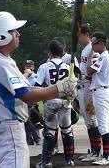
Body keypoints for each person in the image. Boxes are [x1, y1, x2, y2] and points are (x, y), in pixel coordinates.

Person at [0, 11, 78, 168]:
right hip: (8, 132)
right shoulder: (1, 63)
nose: (18, 34)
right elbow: (27, 95)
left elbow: (26, 88)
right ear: (1, 36)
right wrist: (60, 87)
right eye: (13, 31)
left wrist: (58, 90)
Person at [35, 40, 75, 168]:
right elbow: (72, 88)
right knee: (67, 131)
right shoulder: (68, 67)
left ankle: (46, 162)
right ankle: (69, 160)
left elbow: (37, 86)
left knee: (50, 133)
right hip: (65, 101)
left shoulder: (44, 66)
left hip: (51, 101)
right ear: (62, 52)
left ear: (49, 52)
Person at [87, 32, 109, 165]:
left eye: (94, 43)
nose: (92, 46)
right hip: (103, 91)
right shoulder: (105, 57)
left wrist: (89, 57)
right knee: (107, 126)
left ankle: (106, 157)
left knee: (104, 126)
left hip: (101, 93)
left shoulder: (103, 57)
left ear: (101, 43)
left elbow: (89, 71)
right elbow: (91, 75)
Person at [77, 24, 102, 162]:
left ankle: (97, 152)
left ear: (87, 34)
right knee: (87, 120)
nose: (78, 39)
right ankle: (93, 150)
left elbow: (93, 69)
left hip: (88, 86)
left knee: (92, 119)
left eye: (80, 35)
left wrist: (85, 76)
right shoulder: (85, 50)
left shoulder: (92, 48)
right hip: (82, 86)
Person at [23, 59, 41, 145]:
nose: (28, 67)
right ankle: (30, 139)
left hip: (33, 101)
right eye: (27, 66)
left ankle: (36, 138)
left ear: (33, 67)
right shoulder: (23, 77)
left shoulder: (37, 77)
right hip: (24, 101)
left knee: (31, 120)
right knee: (27, 121)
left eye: (30, 66)